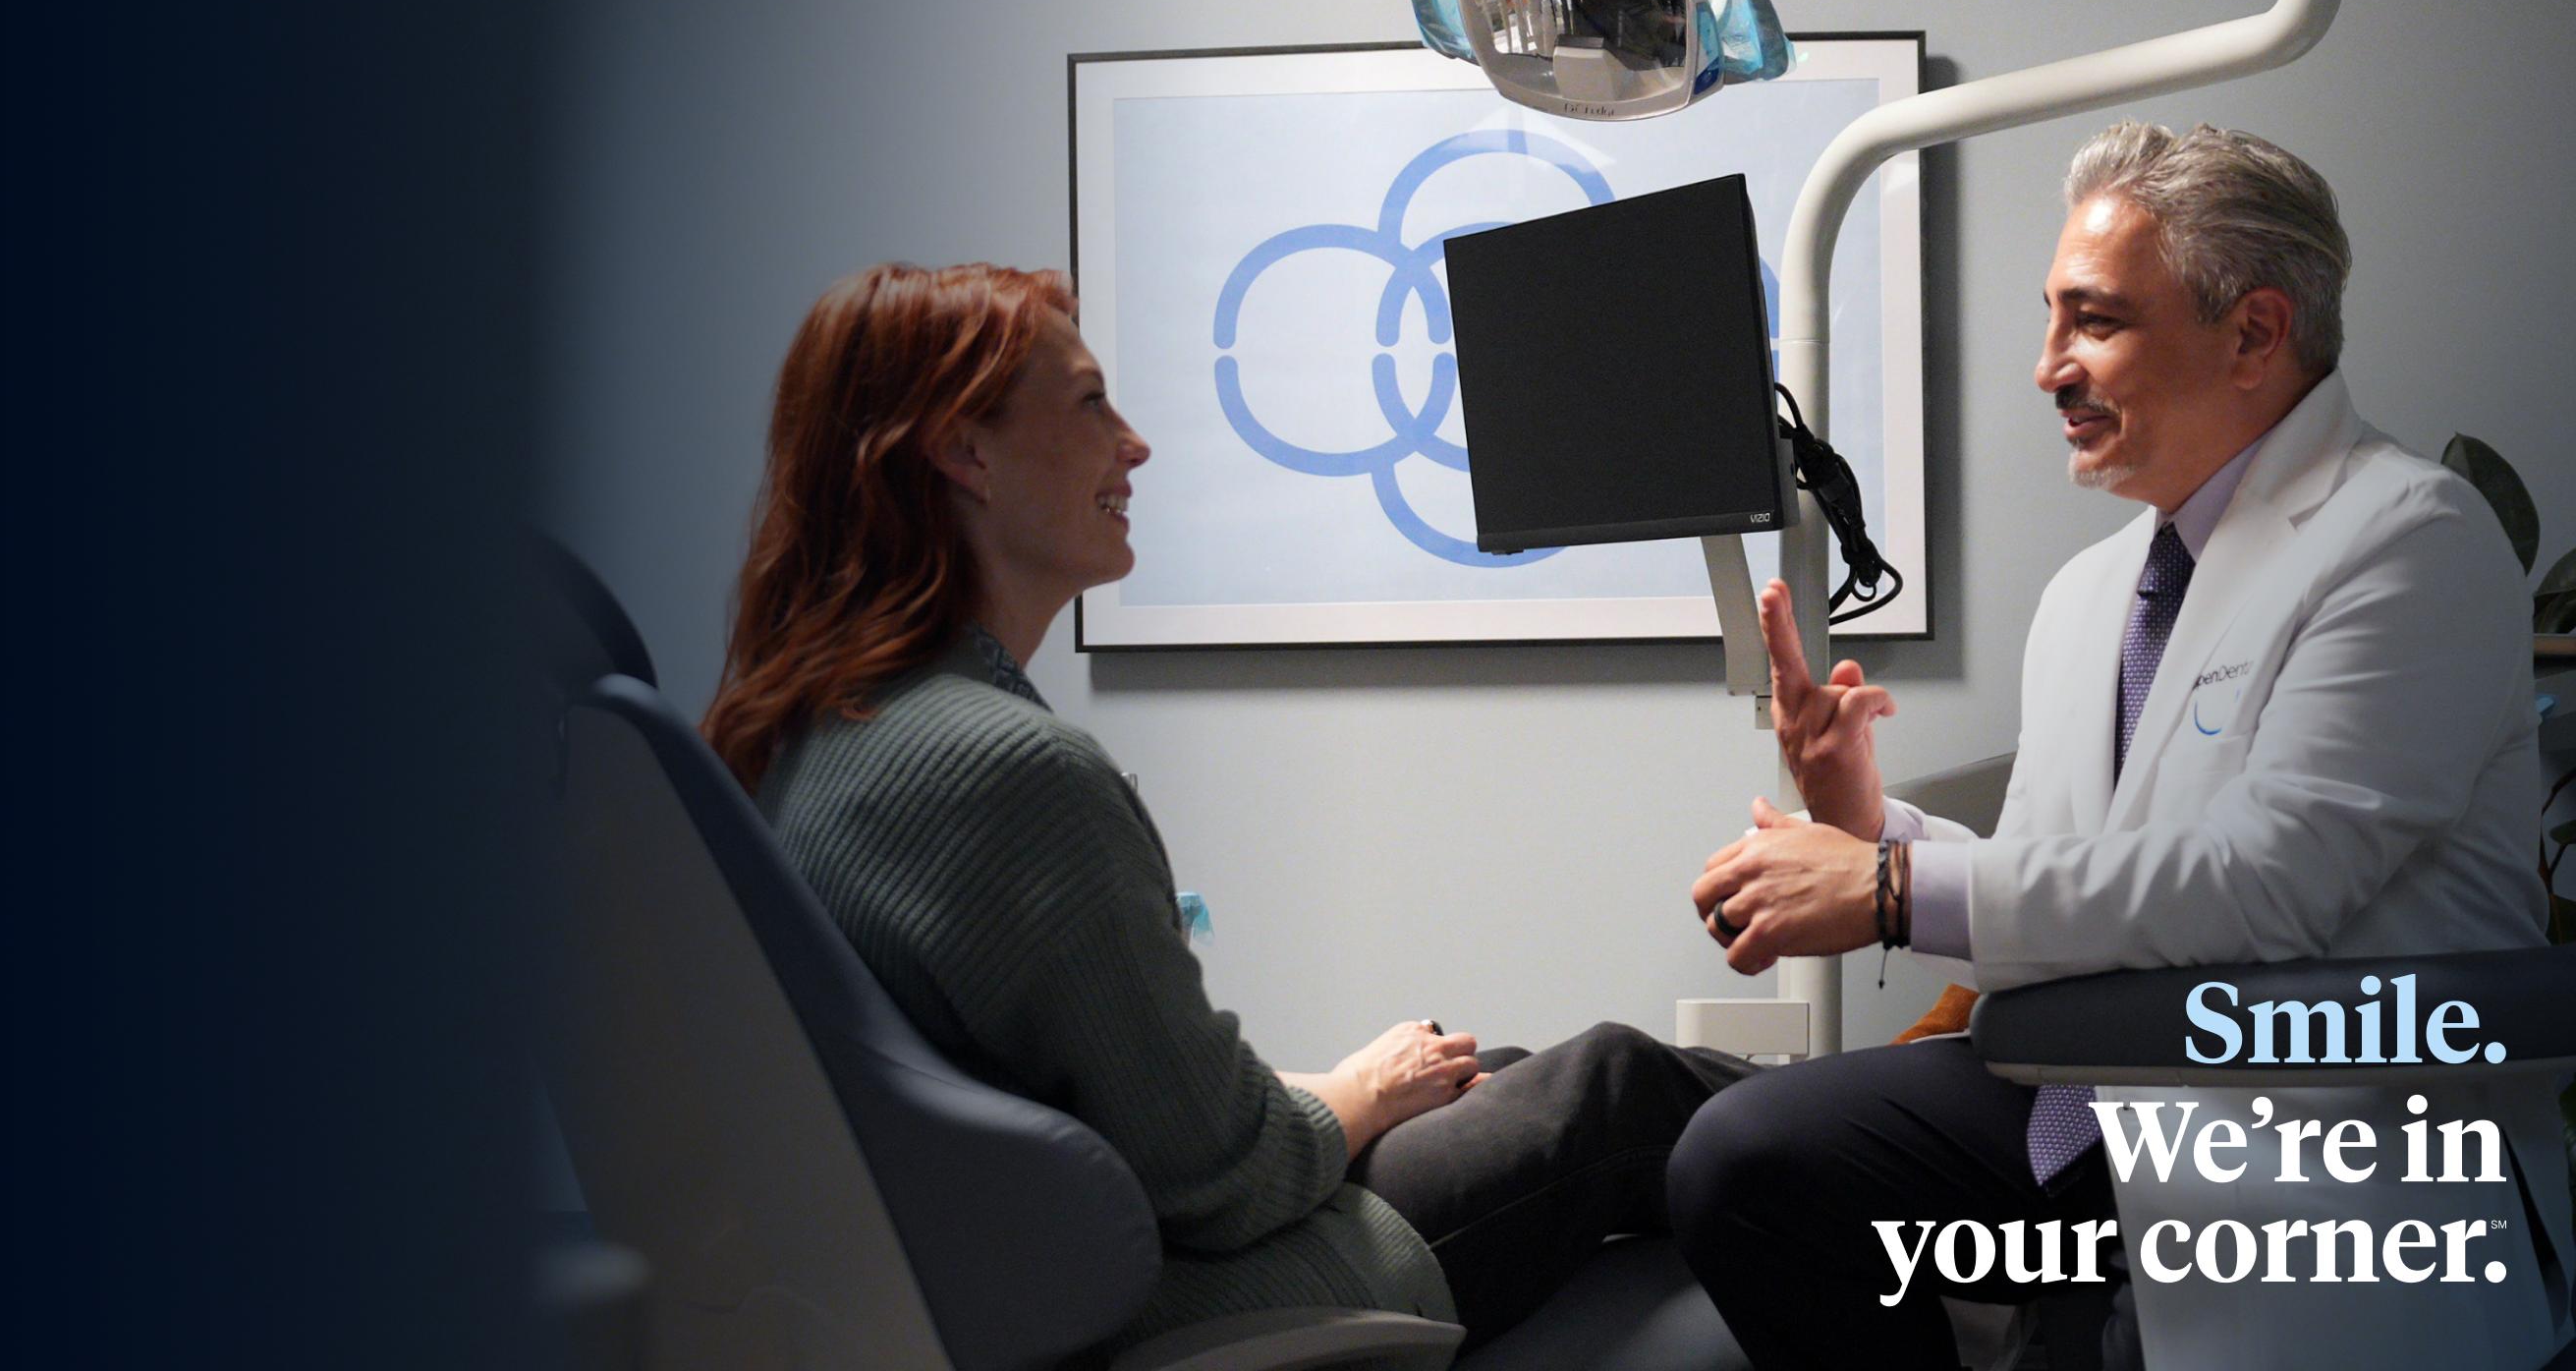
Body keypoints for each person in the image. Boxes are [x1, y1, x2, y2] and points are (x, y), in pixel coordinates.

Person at [700, 261, 1751, 1353]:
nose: (1134, 443)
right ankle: (1908, 1172)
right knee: (1615, 1084)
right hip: (1178, 1290)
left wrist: (1358, 1091)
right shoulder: (1009, 773)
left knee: (1503, 1074)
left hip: (1013, 1260)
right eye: (1091, 401)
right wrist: (1354, 1090)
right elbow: (1222, 1176)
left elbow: (1086, 1090)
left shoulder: (814, 734)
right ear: (965, 452)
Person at [1672, 121, 2571, 1370]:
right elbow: (2066, 877)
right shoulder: (2094, 591)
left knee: (1739, 1145)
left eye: (2094, 322)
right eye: (2051, 320)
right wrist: (1872, 825)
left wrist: (1888, 891)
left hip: (2320, 1135)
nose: (2048, 367)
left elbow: (2265, 882)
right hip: (2099, 1098)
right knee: (1742, 1156)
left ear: (2255, 333)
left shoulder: (2411, 538)